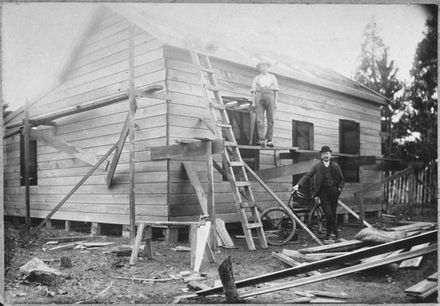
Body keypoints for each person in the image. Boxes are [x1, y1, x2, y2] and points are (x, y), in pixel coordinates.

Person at [292, 146, 345, 242]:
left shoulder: (335, 166)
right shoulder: (317, 166)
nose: (326, 156)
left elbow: (342, 179)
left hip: (334, 192)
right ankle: (337, 234)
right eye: (324, 154)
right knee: (328, 214)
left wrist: (339, 188)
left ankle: (328, 237)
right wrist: (298, 185)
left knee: (332, 214)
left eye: (327, 154)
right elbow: (308, 175)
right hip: (323, 193)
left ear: (330, 155)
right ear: (321, 156)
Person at [251, 61, 279, 147]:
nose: (263, 68)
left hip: (270, 96)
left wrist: (275, 101)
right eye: (261, 67)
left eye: (265, 66)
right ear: (259, 69)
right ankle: (261, 139)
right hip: (259, 96)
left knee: (271, 119)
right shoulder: (257, 78)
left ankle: (269, 139)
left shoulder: (272, 77)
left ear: (268, 68)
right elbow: (253, 90)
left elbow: (276, 90)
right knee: (260, 119)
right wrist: (253, 101)